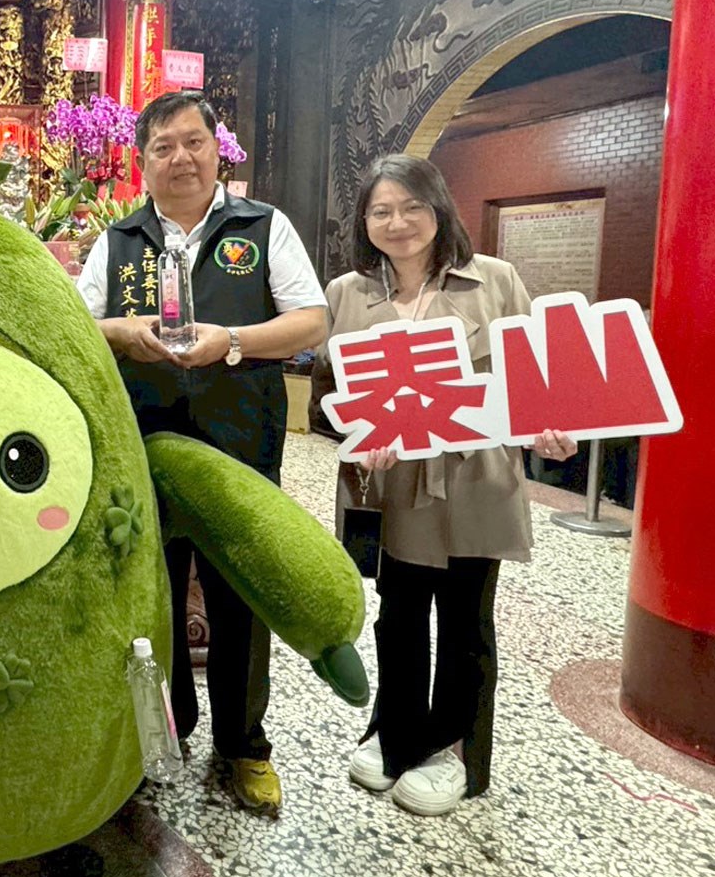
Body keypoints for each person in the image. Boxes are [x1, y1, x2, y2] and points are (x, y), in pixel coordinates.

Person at [76, 90, 328, 815]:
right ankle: (168, 729)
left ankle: (244, 745)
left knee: (240, 592)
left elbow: (312, 320)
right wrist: (123, 333)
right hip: (146, 444)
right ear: (142, 161)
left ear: (218, 150)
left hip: (239, 441)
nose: (180, 158)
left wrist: (234, 341)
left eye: (194, 142)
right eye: (163, 147)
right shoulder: (118, 239)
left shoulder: (263, 226)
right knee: (151, 590)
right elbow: (78, 323)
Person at [313, 153, 575, 817]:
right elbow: (327, 398)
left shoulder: (494, 280)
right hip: (391, 485)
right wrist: (357, 434)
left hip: (473, 478)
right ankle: (394, 730)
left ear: (439, 209)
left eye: (412, 206)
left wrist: (550, 429)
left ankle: (456, 750)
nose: (397, 222)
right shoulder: (346, 293)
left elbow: (536, 378)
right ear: (364, 221)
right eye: (381, 210)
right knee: (398, 613)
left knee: (465, 619)